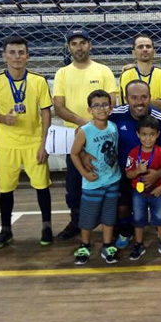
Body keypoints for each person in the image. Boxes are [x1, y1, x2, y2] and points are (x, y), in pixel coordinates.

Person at [0, 35, 53, 250]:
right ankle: (6, 230)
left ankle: (47, 227)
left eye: (21, 52)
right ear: (4, 56)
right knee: (5, 188)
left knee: (42, 186)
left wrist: (44, 144)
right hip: (7, 144)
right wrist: (4, 119)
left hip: (33, 142)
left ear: (28, 56)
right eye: (12, 52)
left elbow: (46, 113)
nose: (17, 56)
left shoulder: (38, 81)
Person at [53, 29, 118, 240]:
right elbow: (59, 107)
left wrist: (92, 128)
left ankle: (109, 222)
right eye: (74, 43)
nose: (79, 47)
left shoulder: (103, 71)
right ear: (69, 47)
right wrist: (85, 127)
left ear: (90, 45)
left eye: (82, 42)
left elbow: (112, 103)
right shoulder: (62, 73)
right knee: (74, 185)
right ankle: (77, 222)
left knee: (106, 179)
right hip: (74, 138)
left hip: (102, 138)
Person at [109, 80, 161, 249]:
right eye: (134, 98)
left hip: (158, 173)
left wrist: (160, 173)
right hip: (126, 173)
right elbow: (92, 127)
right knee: (122, 207)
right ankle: (126, 231)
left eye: (144, 97)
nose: (139, 102)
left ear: (150, 97)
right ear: (126, 99)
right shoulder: (115, 115)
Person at [70, 90, 120, 265]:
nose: (101, 109)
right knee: (88, 216)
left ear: (111, 108)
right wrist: (84, 173)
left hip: (113, 179)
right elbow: (74, 154)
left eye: (105, 104)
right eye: (96, 106)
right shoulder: (85, 131)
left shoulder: (113, 127)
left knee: (109, 215)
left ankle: (107, 245)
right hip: (93, 183)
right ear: (89, 110)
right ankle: (85, 244)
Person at [125, 115, 161, 260]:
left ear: (157, 135)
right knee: (138, 219)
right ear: (138, 134)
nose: (147, 139)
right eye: (144, 134)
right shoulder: (133, 153)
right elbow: (128, 175)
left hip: (157, 192)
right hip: (138, 192)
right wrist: (137, 171)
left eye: (151, 135)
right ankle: (139, 244)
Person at [119, 34, 161, 111]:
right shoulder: (126, 75)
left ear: (154, 51)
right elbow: (127, 103)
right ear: (133, 52)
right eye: (140, 47)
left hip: (156, 121)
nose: (145, 49)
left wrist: (138, 101)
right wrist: (154, 102)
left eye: (148, 46)